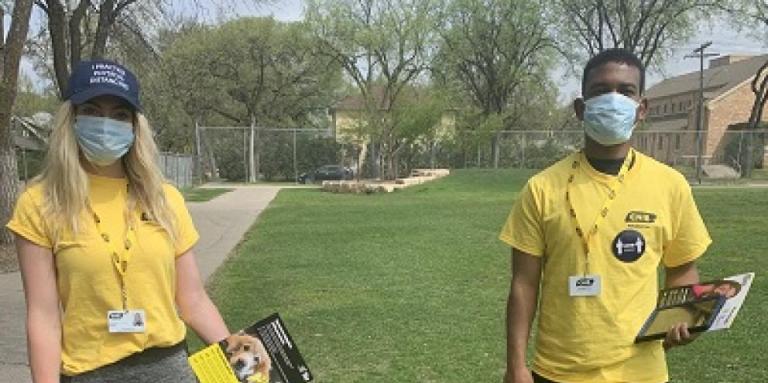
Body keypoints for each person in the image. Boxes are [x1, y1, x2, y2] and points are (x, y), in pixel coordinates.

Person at [7, 59, 232, 382]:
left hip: (170, 367)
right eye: (93, 111)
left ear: (134, 126)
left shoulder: (165, 199)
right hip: (90, 372)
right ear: (71, 119)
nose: (105, 124)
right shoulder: (40, 203)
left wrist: (238, 358)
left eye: (119, 115)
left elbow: (193, 300)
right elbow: (43, 317)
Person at [499, 48, 712, 383]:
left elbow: (683, 268)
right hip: (557, 372)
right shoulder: (541, 189)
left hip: (642, 373)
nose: (613, 100)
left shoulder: (671, 186)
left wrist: (680, 317)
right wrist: (516, 366)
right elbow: (524, 285)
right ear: (581, 109)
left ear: (642, 109)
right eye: (600, 91)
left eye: (626, 91)